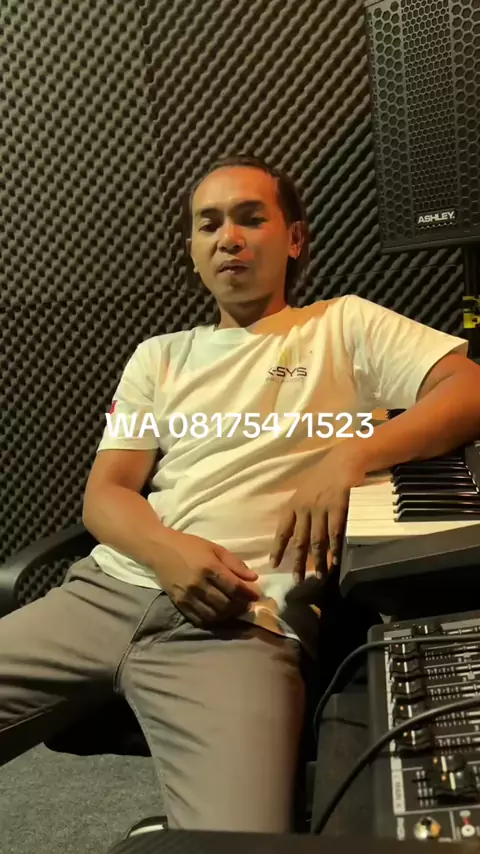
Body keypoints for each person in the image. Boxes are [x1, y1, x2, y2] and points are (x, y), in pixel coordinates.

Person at [1, 154, 480, 835]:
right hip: (103, 595)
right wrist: (166, 553)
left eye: (251, 219)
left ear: (294, 239)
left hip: (244, 625)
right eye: (209, 224)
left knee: (241, 844)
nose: (229, 238)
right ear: (194, 250)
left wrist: (352, 454)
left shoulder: (344, 325)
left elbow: (469, 389)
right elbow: (105, 496)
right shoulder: (159, 356)